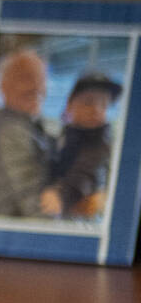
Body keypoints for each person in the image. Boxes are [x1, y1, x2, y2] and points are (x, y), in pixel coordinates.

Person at [0, 48, 54, 216]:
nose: (37, 87)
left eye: (41, 79)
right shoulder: (8, 130)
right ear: (3, 85)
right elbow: (35, 207)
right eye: (27, 78)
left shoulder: (32, 125)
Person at [42, 71, 121, 219]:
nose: (96, 110)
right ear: (70, 104)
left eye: (103, 104)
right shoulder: (55, 141)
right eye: (88, 102)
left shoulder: (107, 149)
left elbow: (83, 177)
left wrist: (58, 196)